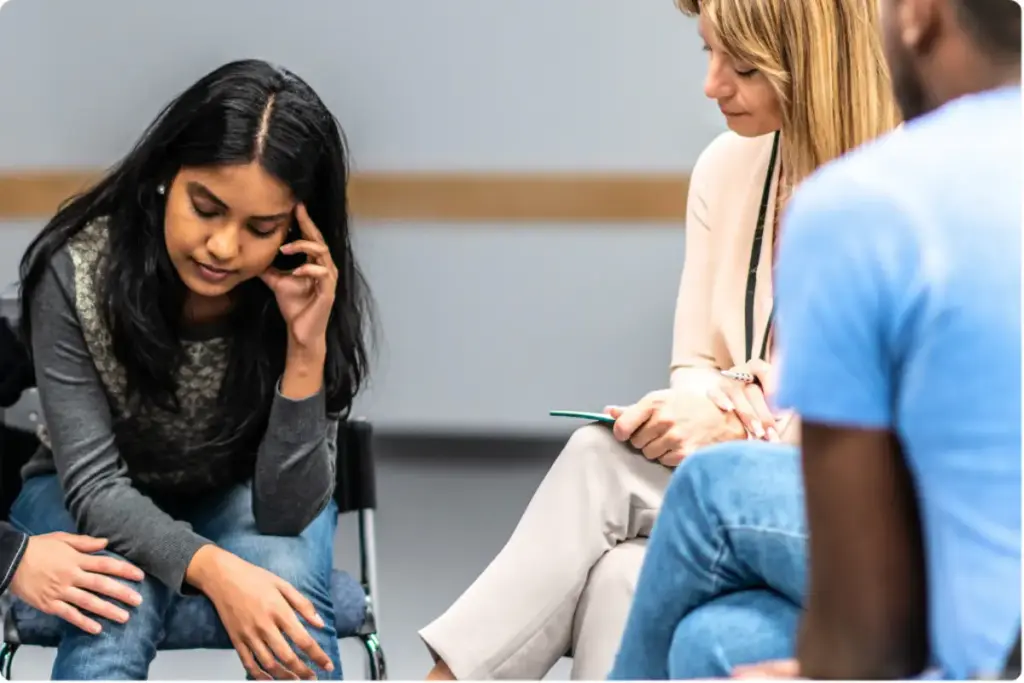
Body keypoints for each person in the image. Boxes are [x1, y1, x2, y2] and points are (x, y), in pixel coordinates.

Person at [418, 0, 898, 678]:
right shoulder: (726, 167)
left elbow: (886, 423)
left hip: (862, 510)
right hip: (756, 480)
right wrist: (727, 400)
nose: (711, 85)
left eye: (744, 67)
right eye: (708, 51)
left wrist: (743, 423)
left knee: (598, 460)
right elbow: (694, 363)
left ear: (813, 62)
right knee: (620, 575)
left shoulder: (908, 193)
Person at [609, 0, 1021, 679]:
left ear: (918, 15)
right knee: (709, 640)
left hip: (966, 626)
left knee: (710, 489)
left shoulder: (864, 206)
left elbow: (861, 616)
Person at [12, 58, 372, 680]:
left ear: (296, 226)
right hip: (83, 494)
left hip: (237, 494)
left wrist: (305, 347)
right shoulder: (76, 273)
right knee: (118, 594)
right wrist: (215, 569)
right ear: (165, 176)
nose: (224, 247)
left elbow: (287, 514)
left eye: (261, 227)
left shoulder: (308, 291)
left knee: (285, 576)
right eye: (206, 208)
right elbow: (96, 490)